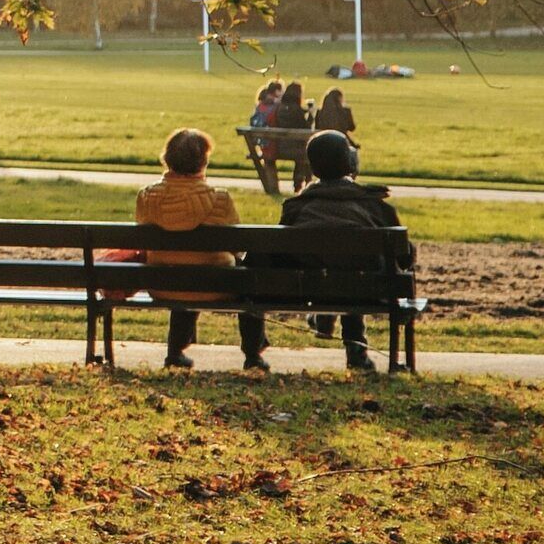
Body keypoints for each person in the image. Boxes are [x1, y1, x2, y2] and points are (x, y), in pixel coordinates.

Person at [131, 127, 267, 372]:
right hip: (216, 286)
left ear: (168, 158)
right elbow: (237, 246)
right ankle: (253, 354)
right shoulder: (220, 199)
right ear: (203, 162)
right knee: (239, 276)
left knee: (181, 268)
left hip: (163, 284)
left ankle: (175, 351)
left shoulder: (146, 198)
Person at [280, 130, 404, 373]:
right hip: (369, 290)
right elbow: (404, 256)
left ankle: (324, 316)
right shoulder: (375, 206)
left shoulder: (296, 207)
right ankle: (356, 353)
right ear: (350, 163)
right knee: (354, 273)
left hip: (309, 289)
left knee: (338, 272)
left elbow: (279, 251)